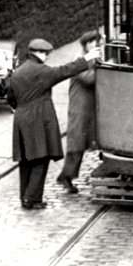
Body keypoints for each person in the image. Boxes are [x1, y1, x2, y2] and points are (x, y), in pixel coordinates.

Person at [10, 37, 101, 209]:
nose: (47, 56)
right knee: (40, 158)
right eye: (44, 53)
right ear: (36, 53)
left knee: (25, 160)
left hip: (21, 119)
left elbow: (10, 97)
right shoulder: (42, 71)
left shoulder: (18, 72)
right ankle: (33, 198)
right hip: (38, 118)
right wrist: (87, 59)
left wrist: (22, 109)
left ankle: (24, 196)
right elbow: (65, 71)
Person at [56, 30, 102, 195]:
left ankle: (68, 176)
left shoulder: (91, 60)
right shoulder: (79, 61)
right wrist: (102, 66)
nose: (96, 46)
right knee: (76, 144)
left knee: (82, 143)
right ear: (87, 45)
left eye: (97, 43)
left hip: (87, 109)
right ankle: (65, 176)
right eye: (93, 43)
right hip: (79, 109)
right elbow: (89, 79)